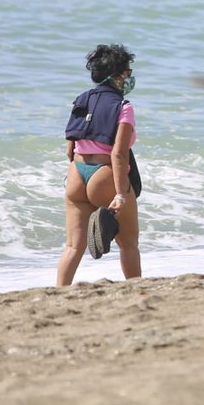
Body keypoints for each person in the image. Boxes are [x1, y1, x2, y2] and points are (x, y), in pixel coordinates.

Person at [56, 43, 143, 285]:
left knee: (73, 246)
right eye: (127, 73)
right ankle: (136, 288)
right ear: (116, 76)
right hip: (105, 176)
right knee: (128, 244)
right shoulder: (123, 107)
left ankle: (58, 293)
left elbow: (70, 148)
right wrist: (120, 193)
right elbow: (118, 154)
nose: (129, 78)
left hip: (76, 175)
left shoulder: (81, 100)